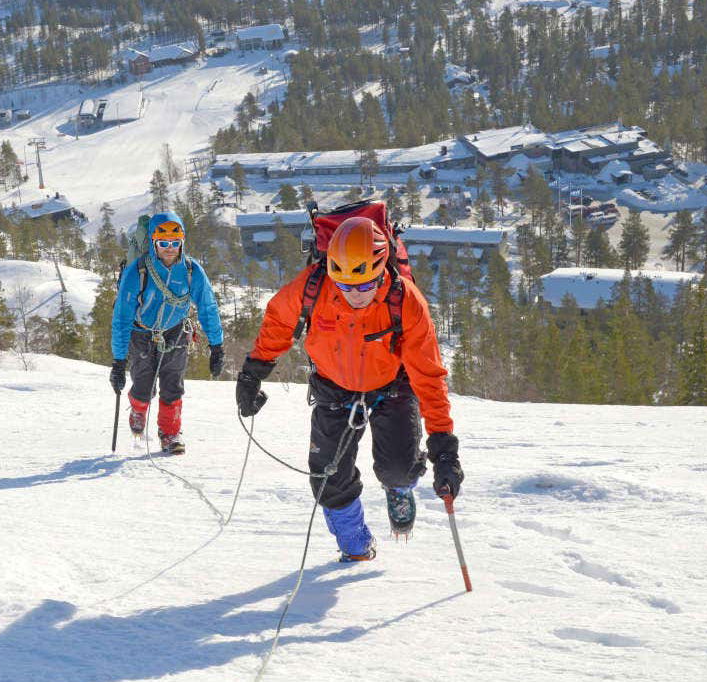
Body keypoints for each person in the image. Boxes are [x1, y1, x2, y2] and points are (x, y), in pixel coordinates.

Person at [235, 217, 463, 561]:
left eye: (364, 285)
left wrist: (444, 448)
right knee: (327, 477)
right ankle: (355, 542)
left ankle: (399, 488)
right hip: (333, 386)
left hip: (391, 384)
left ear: (381, 271)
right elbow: (279, 321)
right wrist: (254, 372)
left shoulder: (405, 301)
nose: (354, 294)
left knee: (398, 467)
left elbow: (429, 376)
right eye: (343, 285)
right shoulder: (314, 285)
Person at [110, 211, 224, 455]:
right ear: (154, 243)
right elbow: (121, 318)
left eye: (175, 242)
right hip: (141, 333)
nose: (170, 249)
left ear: (182, 242)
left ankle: (170, 434)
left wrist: (217, 346)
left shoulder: (192, 271)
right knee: (143, 387)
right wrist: (118, 361)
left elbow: (208, 307)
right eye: (163, 243)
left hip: (176, 332)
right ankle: (138, 408)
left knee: (173, 386)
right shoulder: (138, 271)